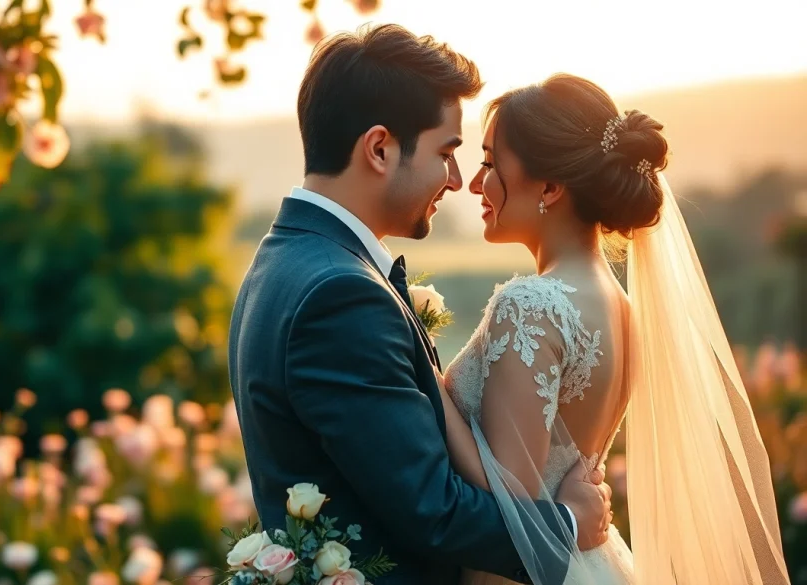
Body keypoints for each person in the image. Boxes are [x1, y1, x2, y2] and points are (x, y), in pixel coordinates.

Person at [228, 25, 611, 585]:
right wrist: (569, 523)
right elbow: (433, 511)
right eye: (447, 153)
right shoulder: (339, 295)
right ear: (379, 149)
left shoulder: (284, 259)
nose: (458, 181)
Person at [440, 73, 790, 585]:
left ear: (551, 186)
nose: (475, 182)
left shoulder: (531, 306)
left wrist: (429, 385)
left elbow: (512, 503)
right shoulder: (621, 307)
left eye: (491, 163)